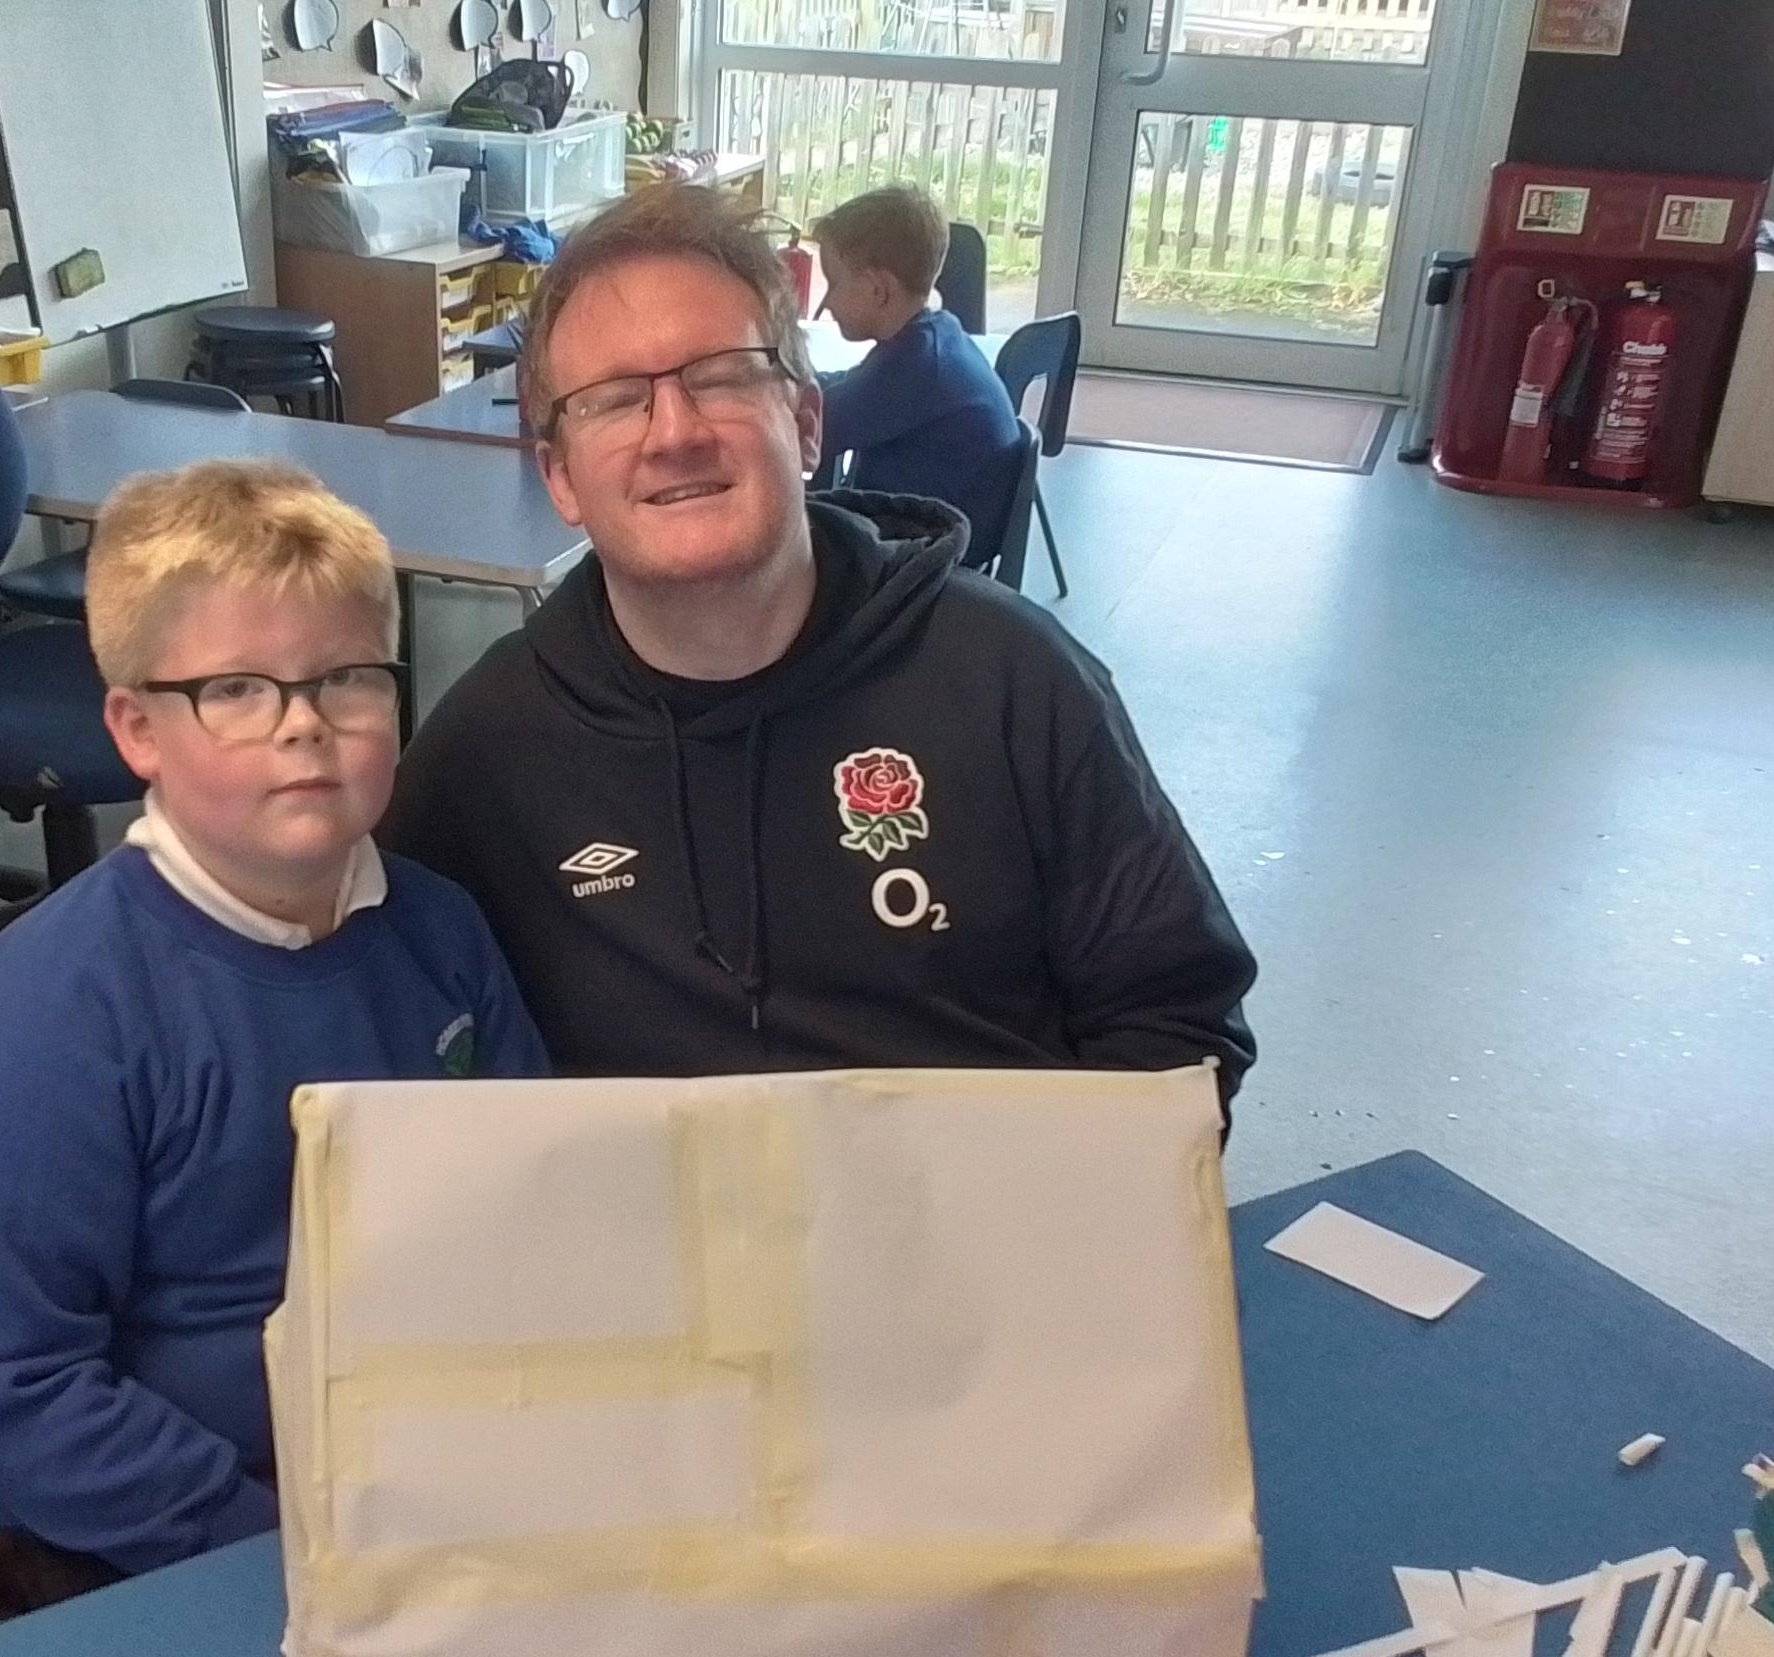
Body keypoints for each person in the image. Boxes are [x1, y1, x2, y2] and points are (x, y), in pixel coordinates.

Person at [380, 185, 1255, 1111]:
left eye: (720, 376)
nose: (673, 432)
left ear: (804, 425)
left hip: (986, 1198)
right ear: (560, 476)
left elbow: (1177, 1027)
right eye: (615, 400)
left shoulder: (1014, 679)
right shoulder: (489, 749)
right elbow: (378, 1022)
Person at [0, 461, 545, 1618]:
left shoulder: (441, 930)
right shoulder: (52, 1014)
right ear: (136, 729)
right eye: (236, 689)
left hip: (428, 1463)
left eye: (345, 677)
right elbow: (16, 1383)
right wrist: (286, 1555)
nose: (303, 723)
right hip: (181, 1530)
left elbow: (530, 1201)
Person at [811, 184, 1026, 564]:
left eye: (834, 283)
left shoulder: (913, 368)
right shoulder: (935, 337)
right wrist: (801, 381)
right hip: (949, 526)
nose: (826, 302)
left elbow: (811, 429)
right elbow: (851, 387)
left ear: (878, 290)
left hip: (930, 549)